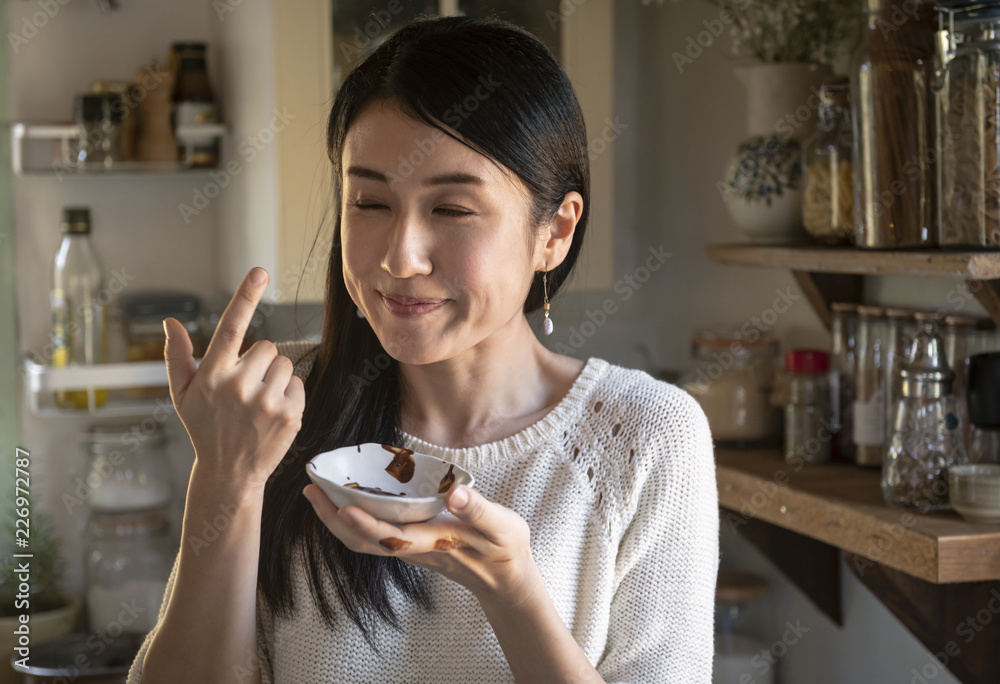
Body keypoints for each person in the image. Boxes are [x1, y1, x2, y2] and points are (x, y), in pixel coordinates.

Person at [130, 14, 718, 684]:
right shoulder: (274, 407)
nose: (400, 258)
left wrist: (513, 591)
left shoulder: (646, 437)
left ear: (554, 232)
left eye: (452, 211)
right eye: (370, 203)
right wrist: (225, 481)